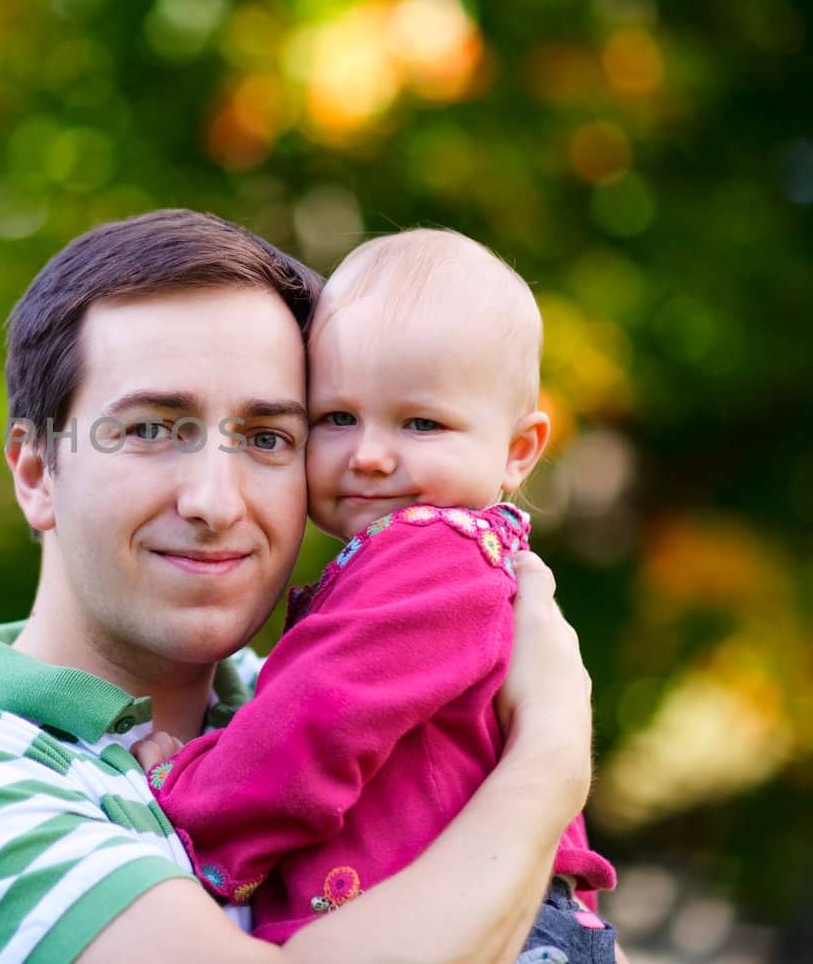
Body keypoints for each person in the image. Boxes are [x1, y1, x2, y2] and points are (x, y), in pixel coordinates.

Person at [0, 210, 597, 963]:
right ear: (35, 471)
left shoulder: (310, 694)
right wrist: (550, 761)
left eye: (268, 437)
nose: (215, 501)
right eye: (152, 429)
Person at [140, 229, 618, 962]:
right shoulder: (439, 560)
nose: (368, 453)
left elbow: (322, 713)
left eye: (421, 422)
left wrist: (190, 796)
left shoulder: (432, 554)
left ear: (519, 449)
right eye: (336, 417)